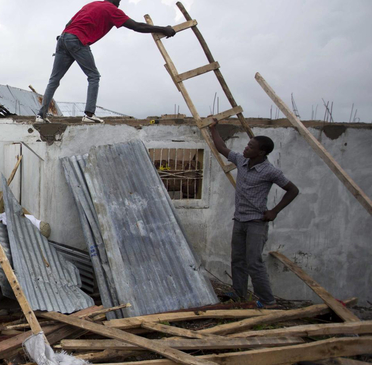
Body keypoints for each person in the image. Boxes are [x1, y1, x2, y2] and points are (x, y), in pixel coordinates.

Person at [36, 0, 176, 124]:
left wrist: (67, 39)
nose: (119, 3)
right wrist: (163, 29)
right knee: (93, 76)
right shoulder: (112, 9)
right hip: (77, 40)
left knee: (54, 79)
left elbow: (69, 23)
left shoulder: (93, 4)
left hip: (63, 39)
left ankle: (40, 116)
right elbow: (137, 26)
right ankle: (89, 114)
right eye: (119, 1)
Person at [209, 118, 299, 307]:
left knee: (254, 262)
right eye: (247, 145)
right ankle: (238, 293)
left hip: (256, 222)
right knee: (238, 259)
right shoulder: (242, 161)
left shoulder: (269, 171)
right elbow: (222, 148)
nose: (246, 148)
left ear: (261, 152)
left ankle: (268, 300)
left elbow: (293, 190)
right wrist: (213, 129)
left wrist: (274, 211)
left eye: (251, 146)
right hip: (239, 220)